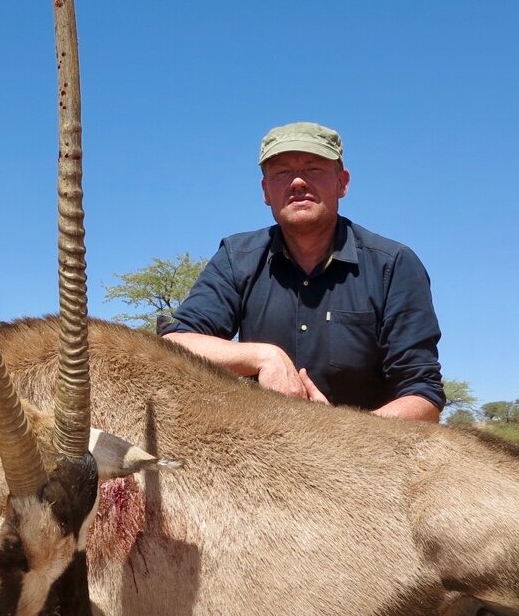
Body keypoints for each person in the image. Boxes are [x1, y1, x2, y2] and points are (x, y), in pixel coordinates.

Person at [158, 121, 446, 421]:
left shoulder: (394, 264)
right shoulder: (236, 257)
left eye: (313, 169)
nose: (297, 182)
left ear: (342, 182)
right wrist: (263, 356)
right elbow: (175, 343)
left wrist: (339, 433)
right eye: (281, 172)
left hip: (366, 456)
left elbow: (423, 395)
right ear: (266, 191)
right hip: (261, 451)